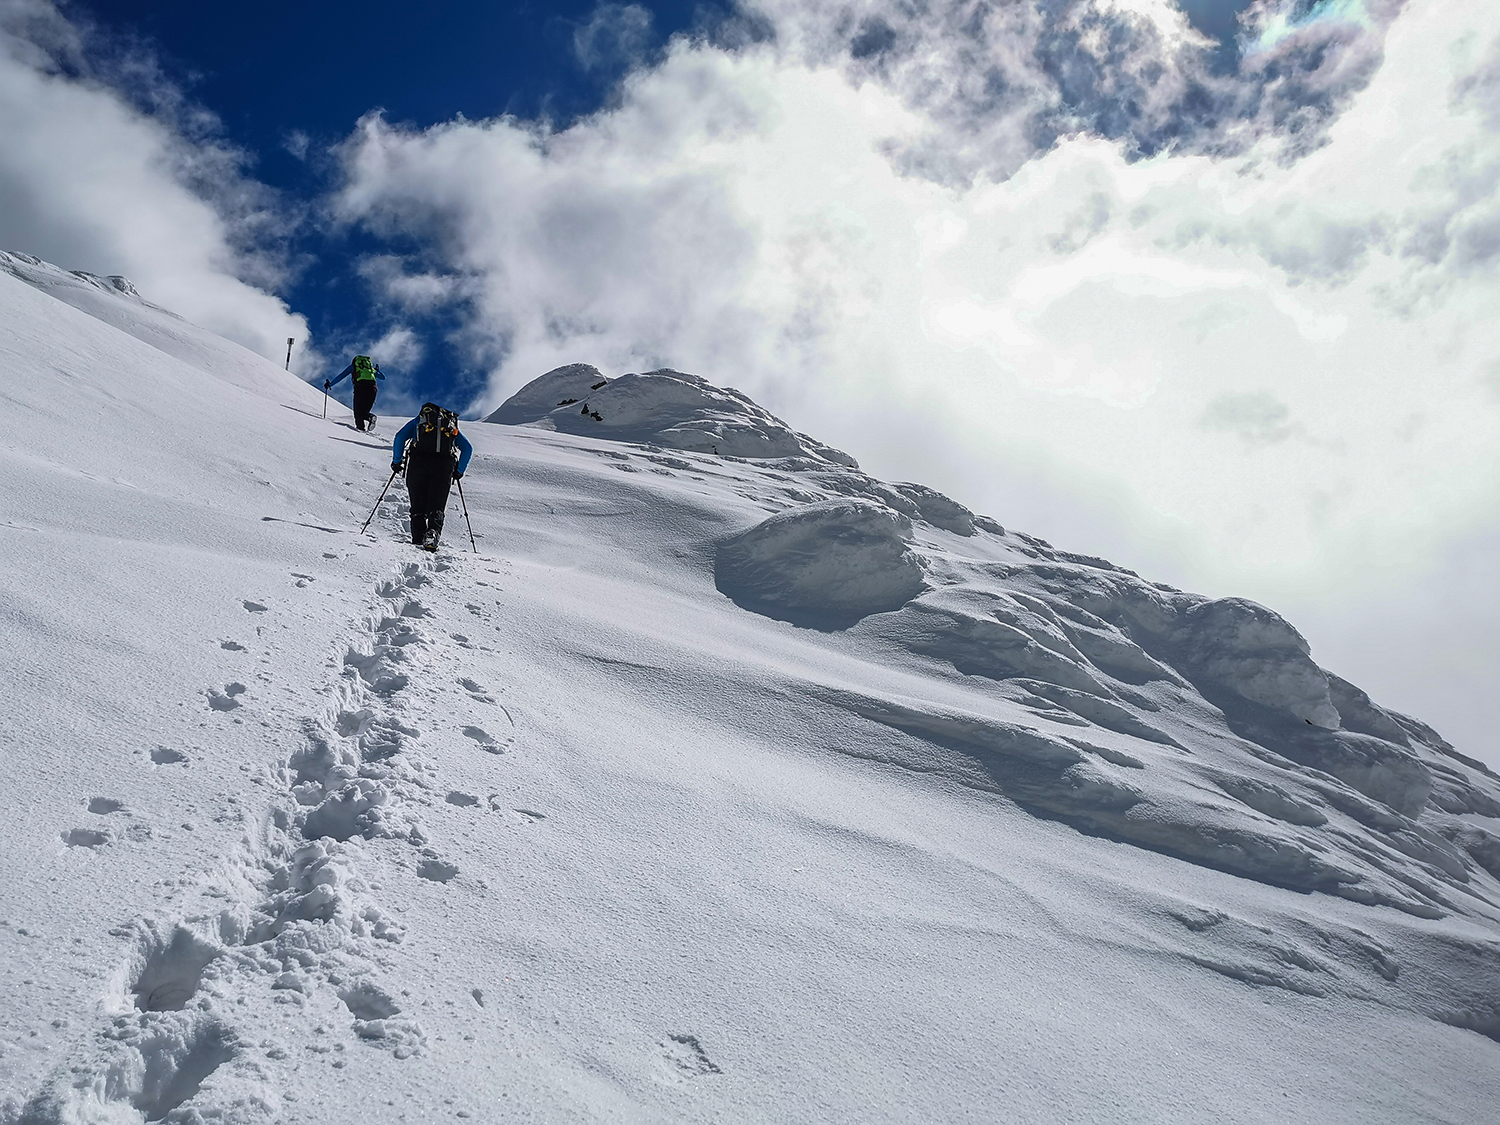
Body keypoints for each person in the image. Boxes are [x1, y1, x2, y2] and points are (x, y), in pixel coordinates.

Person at [392, 403, 473, 550]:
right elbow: (467, 448)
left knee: (417, 506)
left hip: (418, 462)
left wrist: (397, 461)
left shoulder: (419, 421)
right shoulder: (449, 425)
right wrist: (459, 471)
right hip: (443, 465)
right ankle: (432, 534)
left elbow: (400, 437)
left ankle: (418, 540)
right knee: (437, 505)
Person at [326, 355, 386, 432]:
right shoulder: (371, 369)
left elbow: (341, 376)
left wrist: (330, 384)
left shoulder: (353, 367)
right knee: (364, 412)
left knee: (358, 414)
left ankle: (360, 431)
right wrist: (377, 370)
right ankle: (370, 417)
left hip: (360, 388)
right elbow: (383, 377)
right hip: (372, 389)